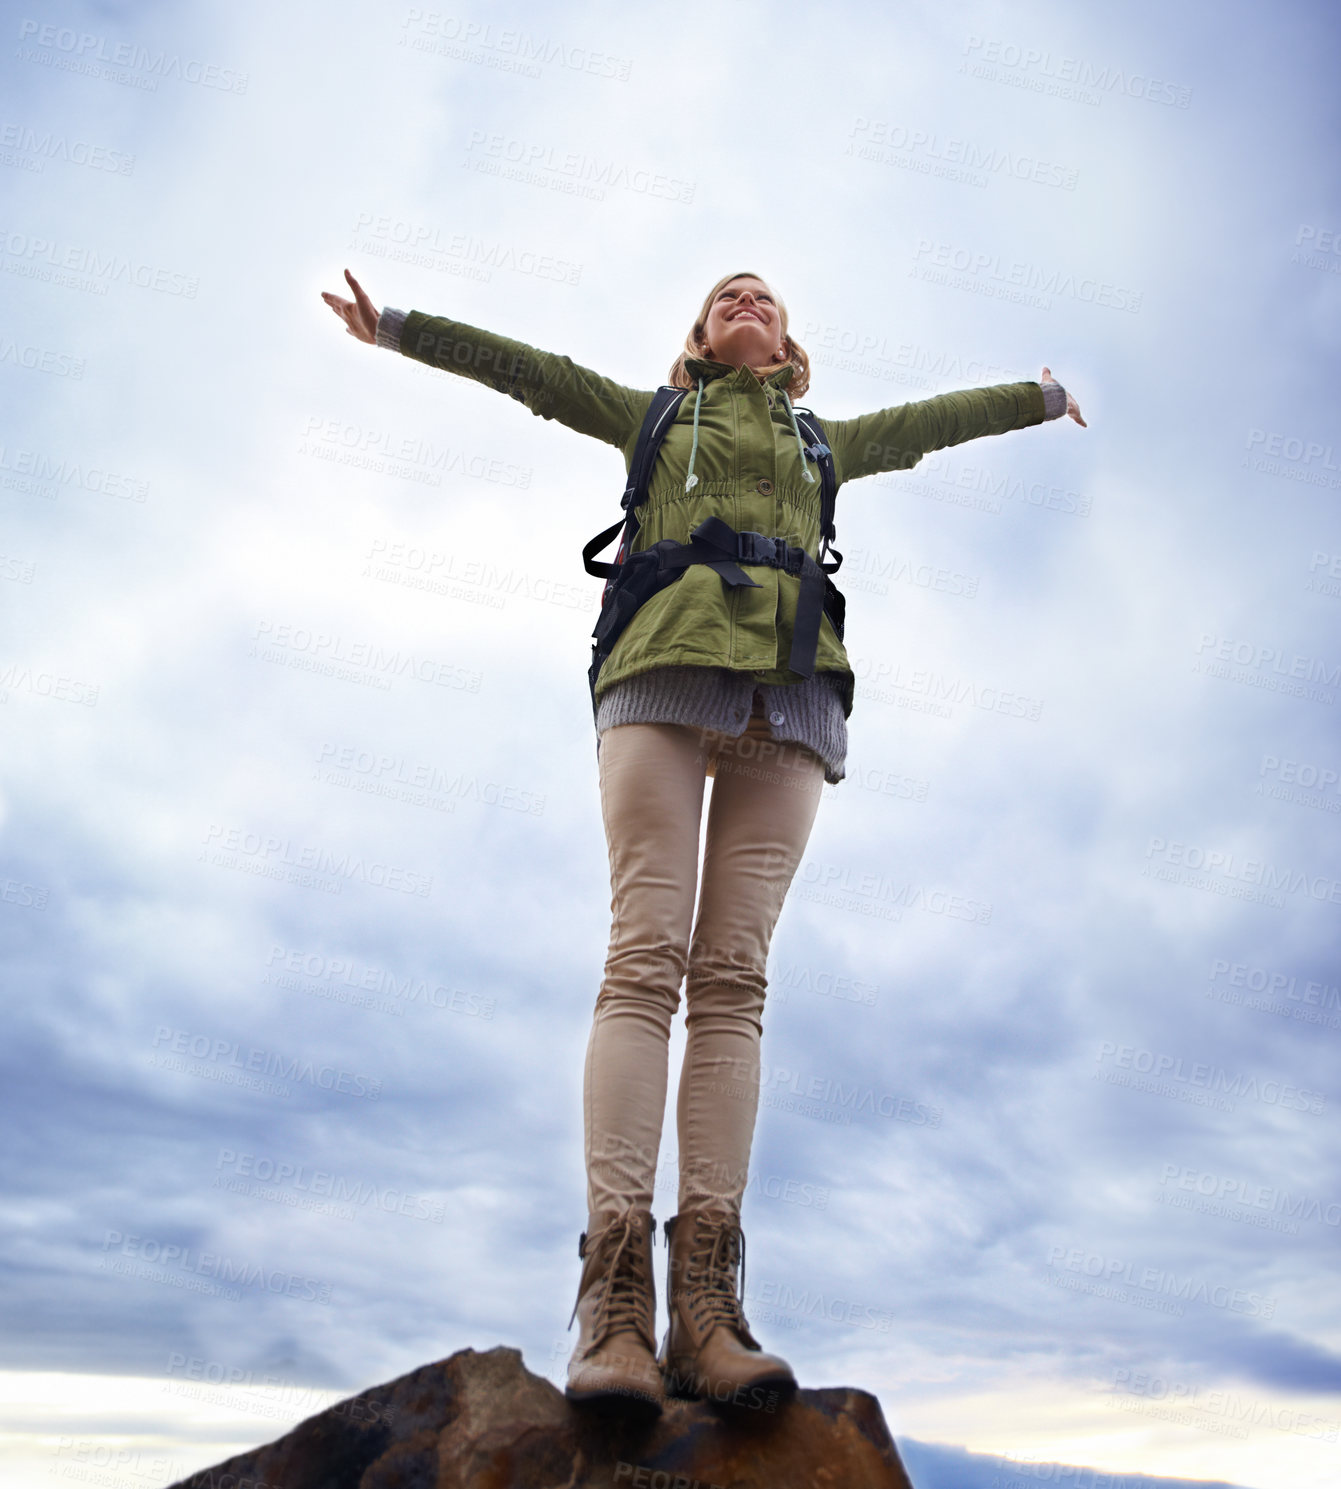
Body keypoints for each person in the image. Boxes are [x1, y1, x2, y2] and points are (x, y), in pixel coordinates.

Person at [322, 268, 1086, 1415]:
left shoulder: (825, 442)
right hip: (660, 665)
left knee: (734, 981)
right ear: (700, 334)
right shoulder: (656, 417)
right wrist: (399, 331)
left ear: (787, 344)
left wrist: (1037, 397)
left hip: (791, 691)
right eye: (727, 294)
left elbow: (931, 425)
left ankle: (708, 1311)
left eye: (767, 297)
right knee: (645, 960)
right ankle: (616, 1307)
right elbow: (533, 374)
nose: (748, 299)